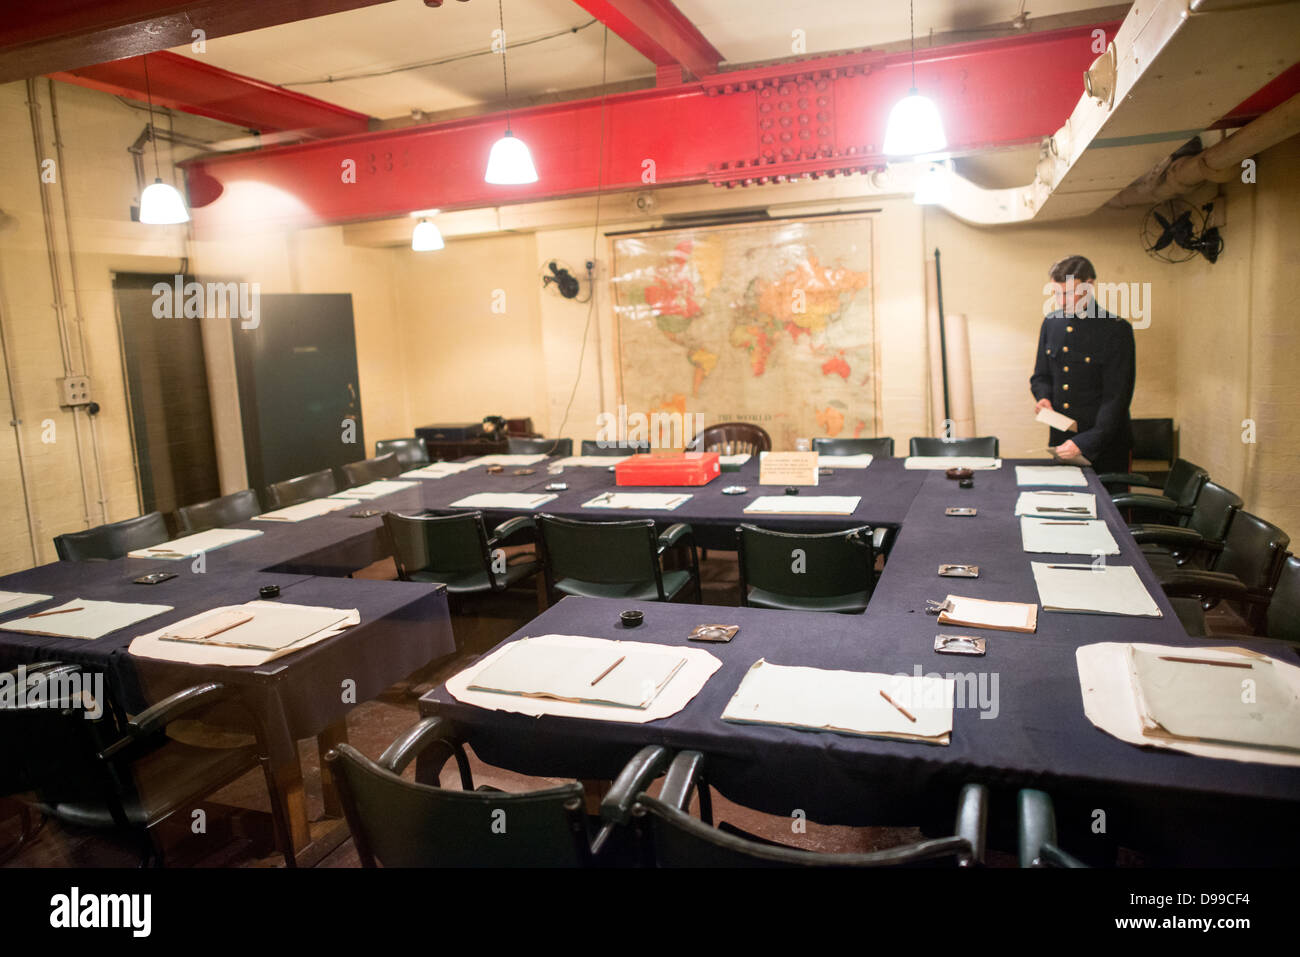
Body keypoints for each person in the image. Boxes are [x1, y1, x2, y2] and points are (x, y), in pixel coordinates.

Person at [1029, 255, 1135, 475]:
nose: (1062, 301)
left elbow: (1116, 398)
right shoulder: (1051, 323)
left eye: (1068, 293)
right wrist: (1044, 397)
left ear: (1089, 285)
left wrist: (1086, 442)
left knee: (1107, 507)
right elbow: (1041, 376)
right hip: (1062, 438)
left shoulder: (1115, 330)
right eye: (1056, 293)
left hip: (1104, 444)